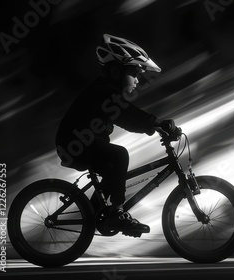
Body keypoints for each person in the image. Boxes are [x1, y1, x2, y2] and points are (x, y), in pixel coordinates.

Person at [55, 34, 175, 236]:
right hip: (74, 144)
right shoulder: (103, 91)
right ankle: (116, 213)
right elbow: (127, 114)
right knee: (119, 155)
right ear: (116, 71)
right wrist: (157, 122)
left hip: (80, 143)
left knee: (113, 169)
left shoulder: (108, 91)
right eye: (134, 73)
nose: (137, 79)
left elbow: (127, 119)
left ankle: (94, 214)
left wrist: (154, 126)